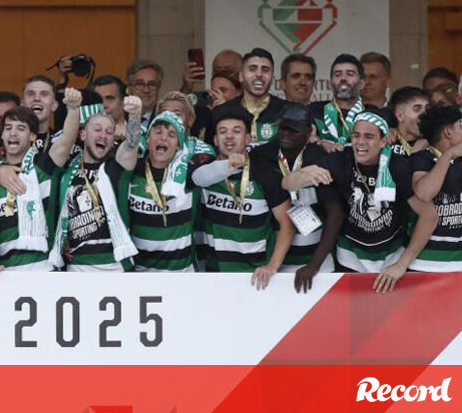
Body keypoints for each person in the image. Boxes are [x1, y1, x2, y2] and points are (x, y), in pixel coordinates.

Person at [322, 112, 437, 291]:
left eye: (369, 137)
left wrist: (401, 264)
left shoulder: (398, 166)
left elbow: (430, 216)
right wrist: (300, 176)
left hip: (392, 258)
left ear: (383, 141)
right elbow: (291, 181)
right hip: (349, 257)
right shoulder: (339, 160)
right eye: (356, 135)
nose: (360, 142)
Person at [0, 94, 84, 279]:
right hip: (5, 274)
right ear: (2, 135)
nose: (13, 133)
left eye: (21, 128)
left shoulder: (43, 167)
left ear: (33, 136)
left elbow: (66, 142)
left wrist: (74, 109)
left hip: (45, 271)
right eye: (8, 128)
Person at [191, 107, 295, 288]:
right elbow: (196, 178)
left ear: (248, 139)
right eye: (223, 132)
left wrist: (272, 266)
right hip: (213, 275)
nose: (229, 136)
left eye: (236, 131)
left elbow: (287, 223)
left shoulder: (265, 173)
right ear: (215, 140)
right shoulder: (206, 173)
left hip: (256, 277)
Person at [255, 104, 344, 291]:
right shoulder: (262, 155)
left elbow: (335, 215)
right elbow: (279, 187)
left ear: (309, 132)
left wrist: (314, 265)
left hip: (317, 265)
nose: (285, 133)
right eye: (282, 128)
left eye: (293, 130)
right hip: (273, 263)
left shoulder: (320, 158)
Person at [49, 96, 143, 271]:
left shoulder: (117, 169)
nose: (103, 135)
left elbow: (131, 145)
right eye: (97, 129)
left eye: (109, 132)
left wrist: (135, 116)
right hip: (76, 268)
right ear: (83, 135)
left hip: (116, 268)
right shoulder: (66, 172)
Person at [123, 111, 211, 271]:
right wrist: (134, 116)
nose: (163, 138)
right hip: (140, 275)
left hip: (182, 275)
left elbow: (208, 174)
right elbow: (129, 147)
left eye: (171, 135)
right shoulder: (132, 170)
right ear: (147, 139)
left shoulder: (187, 172)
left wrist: (229, 166)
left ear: (178, 145)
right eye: (158, 132)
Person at [408, 104, 462, 272]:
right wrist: (449, 154)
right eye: (460, 127)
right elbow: (424, 193)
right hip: (424, 262)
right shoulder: (421, 158)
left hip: (458, 261)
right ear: (448, 132)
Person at [0, 76, 59, 175]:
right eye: (31, 94)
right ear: (22, 104)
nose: (37, 98)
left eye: (44, 94)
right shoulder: (6, 134)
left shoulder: (58, 138)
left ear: (54, 105)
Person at [214, 48, 287, 144]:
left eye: (265, 70)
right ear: (241, 76)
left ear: (272, 79)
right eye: (252, 69)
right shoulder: (221, 112)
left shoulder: (287, 111)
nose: (259, 74)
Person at [311, 54, 365, 145]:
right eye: (337, 75)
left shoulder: (372, 114)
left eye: (350, 74)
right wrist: (317, 142)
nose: (343, 78)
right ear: (330, 84)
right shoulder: (314, 110)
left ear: (362, 84)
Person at [389, 86, 429, 155]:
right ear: (400, 115)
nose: (425, 114)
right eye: (417, 109)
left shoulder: (435, 144)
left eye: (428, 109)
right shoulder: (386, 143)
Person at [125, 59, 164, 125]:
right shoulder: (118, 117)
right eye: (140, 84)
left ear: (158, 88)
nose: (146, 90)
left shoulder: (164, 119)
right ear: (129, 87)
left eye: (152, 84)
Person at [90, 76, 128, 141]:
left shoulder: (138, 132)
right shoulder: (85, 137)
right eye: (98, 99)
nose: (104, 105)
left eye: (110, 98)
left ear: (124, 101)